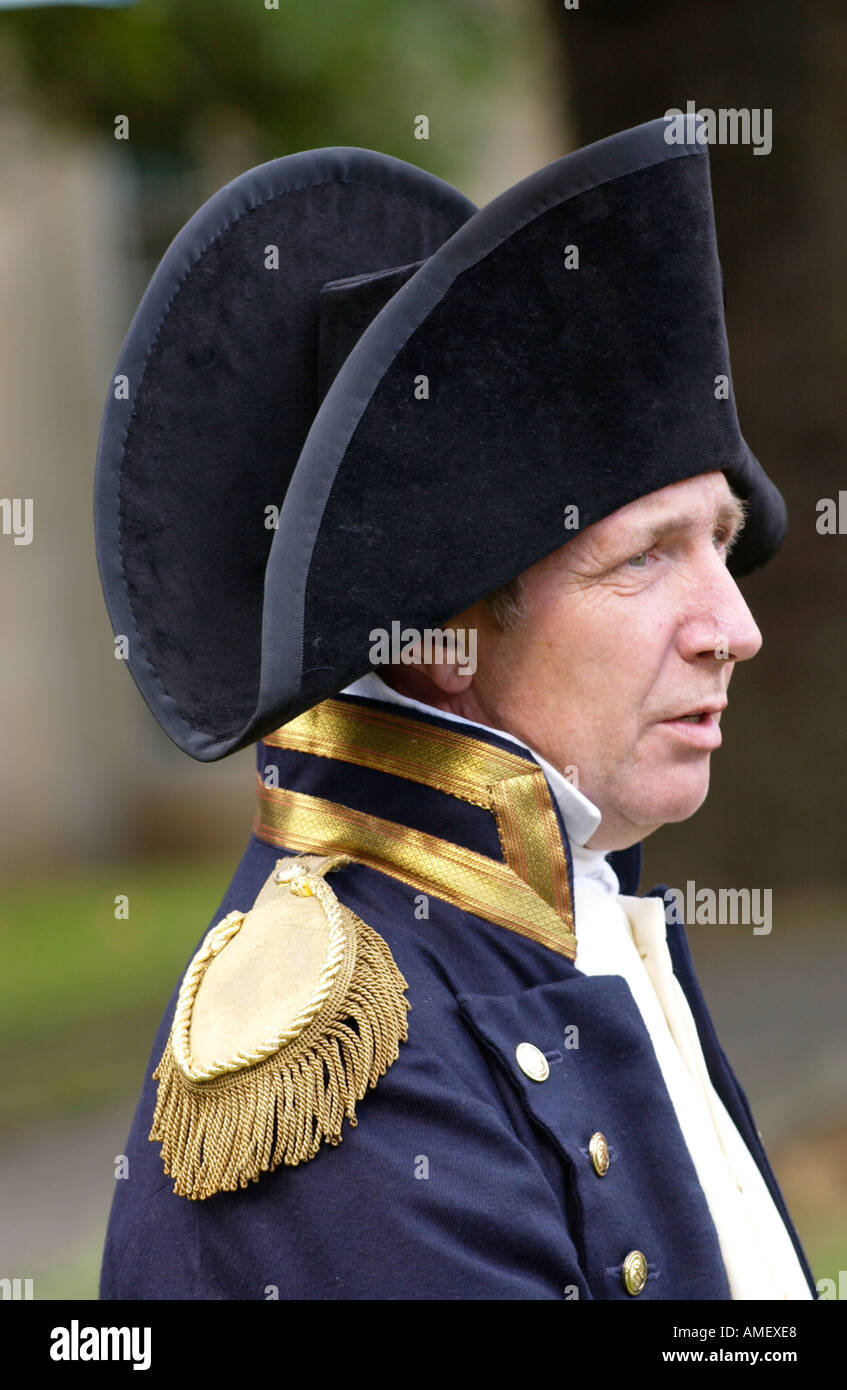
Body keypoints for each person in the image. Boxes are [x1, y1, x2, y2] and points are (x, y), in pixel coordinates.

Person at [94, 115, 816, 1299]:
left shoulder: (568, 902)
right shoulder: (341, 1061)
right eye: (643, 559)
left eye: (722, 543)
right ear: (440, 638)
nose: (732, 626)